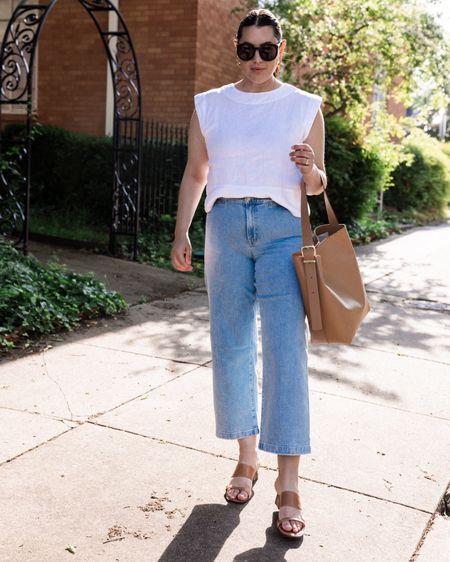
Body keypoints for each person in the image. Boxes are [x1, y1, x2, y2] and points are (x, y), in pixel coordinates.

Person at [170, 8, 326, 539]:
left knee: (286, 351)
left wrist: (311, 170)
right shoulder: (209, 106)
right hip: (226, 228)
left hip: (284, 231)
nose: (256, 60)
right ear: (235, 50)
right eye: (246, 49)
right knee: (232, 343)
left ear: (281, 51)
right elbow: (197, 174)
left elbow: (317, 186)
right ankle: (246, 458)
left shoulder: (304, 107)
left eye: (266, 49)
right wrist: (181, 231)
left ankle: (288, 484)